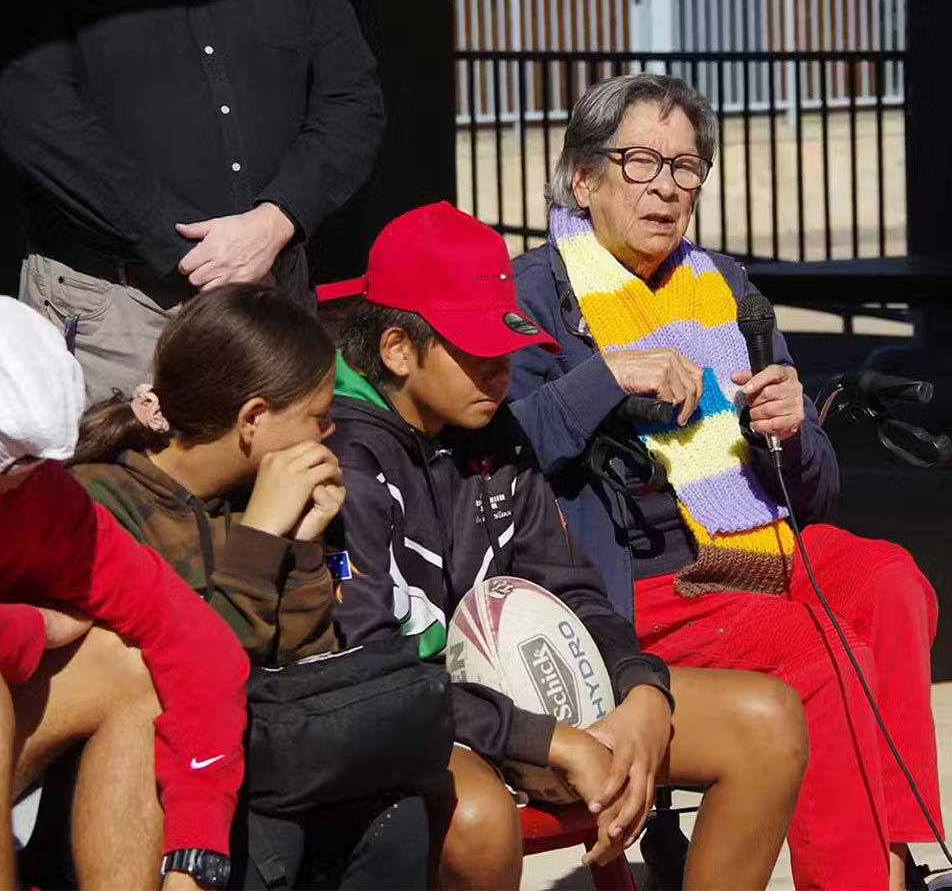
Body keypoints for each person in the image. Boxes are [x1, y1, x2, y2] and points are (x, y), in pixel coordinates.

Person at [505, 72, 942, 889]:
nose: (667, 188)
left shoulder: (727, 286)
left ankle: (891, 852)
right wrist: (607, 375)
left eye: (687, 169)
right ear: (582, 176)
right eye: (642, 162)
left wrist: (793, 428)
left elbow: (817, 492)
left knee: (891, 581)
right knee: (816, 651)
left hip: (760, 545)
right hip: (639, 576)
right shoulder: (537, 293)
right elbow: (504, 452)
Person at [320, 202, 809, 890]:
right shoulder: (337, 458)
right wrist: (542, 740)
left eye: (506, 350)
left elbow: (571, 585)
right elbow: (370, 678)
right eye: (477, 351)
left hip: (520, 695)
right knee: (478, 817)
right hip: (408, 720)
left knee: (766, 719)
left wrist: (641, 689)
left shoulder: (491, 429)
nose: (501, 374)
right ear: (397, 348)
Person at [69, 283, 446, 888]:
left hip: (263, 761)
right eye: (318, 418)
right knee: (276, 826)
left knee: (397, 816)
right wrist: (263, 537)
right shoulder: (104, 503)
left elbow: (306, 663)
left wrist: (301, 545)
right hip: (159, 795)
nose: (329, 435)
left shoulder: (249, 496)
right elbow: (189, 678)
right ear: (253, 420)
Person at [0, 256, 247, 890]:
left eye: (5, 494)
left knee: (130, 662)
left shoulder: (39, 501)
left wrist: (196, 852)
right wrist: (28, 631)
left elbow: (196, 643)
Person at [0, 0, 384, 402]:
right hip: (119, 311)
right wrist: (198, 250)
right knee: (121, 477)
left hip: (274, 286)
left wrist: (276, 218)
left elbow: (352, 101)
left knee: (286, 471)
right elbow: (35, 113)